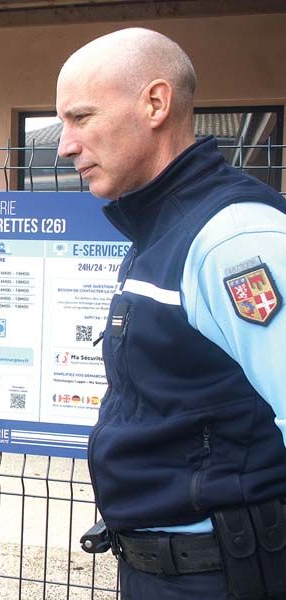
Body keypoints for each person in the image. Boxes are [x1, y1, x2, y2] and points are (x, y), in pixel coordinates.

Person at [57, 28, 286, 598]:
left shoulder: (234, 237)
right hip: (166, 568)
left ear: (155, 104)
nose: (64, 145)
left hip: (225, 572)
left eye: (81, 117)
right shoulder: (160, 229)